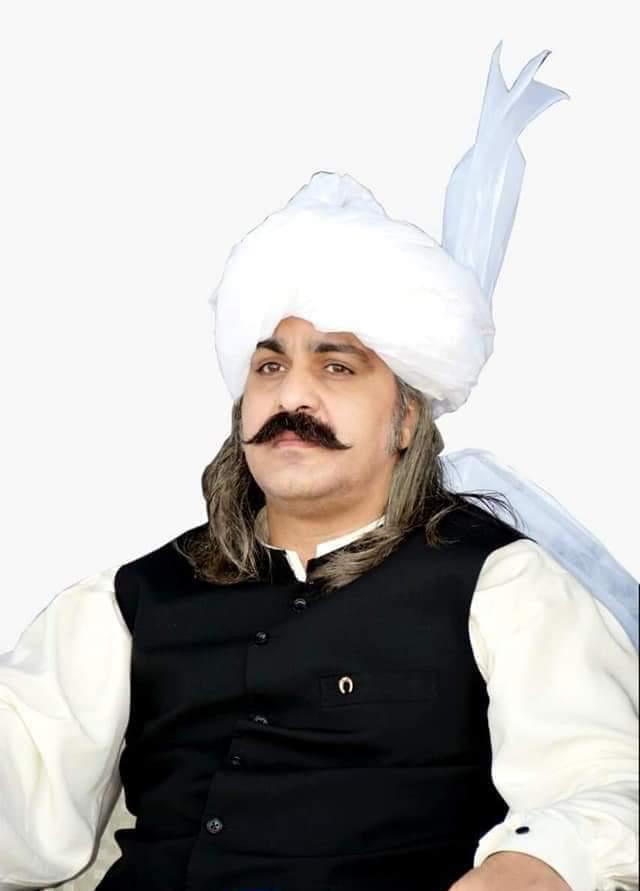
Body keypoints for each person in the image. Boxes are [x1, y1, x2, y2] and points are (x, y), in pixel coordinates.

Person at [1, 43, 637, 891]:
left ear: (406, 417)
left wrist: (530, 867)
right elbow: (23, 800)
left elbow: (601, 790)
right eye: (269, 366)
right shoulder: (129, 600)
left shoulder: (501, 584)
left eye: (337, 366)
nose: (291, 395)